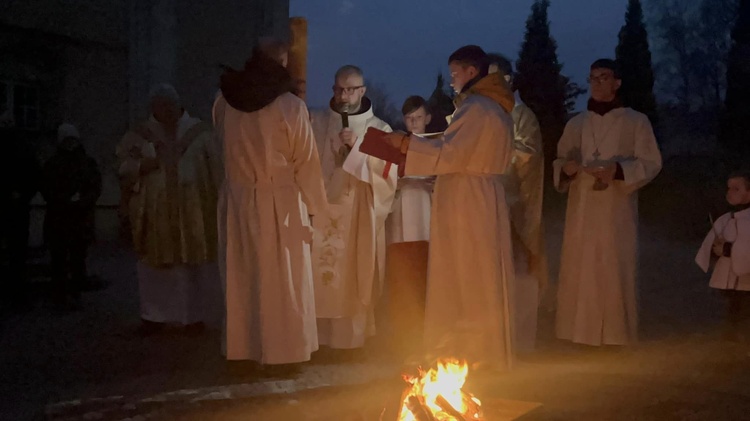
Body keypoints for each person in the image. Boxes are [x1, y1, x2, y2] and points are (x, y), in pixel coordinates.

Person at [373, 45, 517, 370]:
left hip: (467, 198)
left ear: (470, 71)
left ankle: (467, 354)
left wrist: (406, 144)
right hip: (483, 196)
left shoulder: (477, 107)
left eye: (454, 74)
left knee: (464, 274)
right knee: (479, 273)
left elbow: (450, 155)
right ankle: (483, 351)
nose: (452, 81)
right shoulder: (497, 108)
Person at [214, 40, 328, 367]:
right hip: (280, 202)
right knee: (282, 279)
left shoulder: (223, 100)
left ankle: (242, 348)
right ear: (279, 61)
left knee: (242, 273)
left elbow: (220, 144)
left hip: (237, 200)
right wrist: (317, 208)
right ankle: (283, 352)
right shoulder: (289, 106)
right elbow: (305, 161)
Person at [553, 58, 662, 346]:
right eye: (592, 78)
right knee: (582, 266)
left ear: (617, 82)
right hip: (582, 206)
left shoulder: (635, 121)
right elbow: (561, 158)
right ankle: (578, 333)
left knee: (613, 266)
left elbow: (651, 162)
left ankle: (615, 334)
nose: (597, 84)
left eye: (603, 77)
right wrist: (566, 169)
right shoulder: (577, 123)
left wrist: (619, 171)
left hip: (616, 207)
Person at [117, 84, 221, 335]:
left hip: (193, 210)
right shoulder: (139, 135)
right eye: (158, 108)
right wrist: (144, 164)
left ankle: (191, 317)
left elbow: (218, 169)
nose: (164, 113)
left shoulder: (201, 133)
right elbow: (123, 166)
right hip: (154, 212)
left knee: (190, 267)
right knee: (154, 266)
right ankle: (154, 316)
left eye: (168, 107)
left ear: (177, 105)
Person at [310, 65, 398, 351]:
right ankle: (317, 339)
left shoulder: (381, 129)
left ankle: (351, 340)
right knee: (319, 276)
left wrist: (358, 148)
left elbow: (388, 176)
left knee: (355, 275)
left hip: (359, 212)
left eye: (350, 89)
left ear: (362, 90)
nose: (344, 95)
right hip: (323, 211)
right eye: (339, 89)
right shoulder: (318, 122)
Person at [487, 53, 548, 353]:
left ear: (509, 80)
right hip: (486, 203)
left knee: (517, 273)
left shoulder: (522, 115)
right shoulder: (482, 111)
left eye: (496, 78)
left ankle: (519, 340)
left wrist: (496, 149)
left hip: (513, 203)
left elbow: (528, 154)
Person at [385, 96, 435, 358]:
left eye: (418, 117)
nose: (413, 122)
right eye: (409, 118)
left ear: (428, 118)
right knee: (401, 279)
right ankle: (400, 339)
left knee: (423, 277)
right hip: (400, 217)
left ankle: (424, 338)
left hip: (427, 218)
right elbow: (382, 176)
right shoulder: (395, 145)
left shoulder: (438, 145)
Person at [41, 124, 101, 310]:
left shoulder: (87, 163)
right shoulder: (52, 164)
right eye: (67, 140)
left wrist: (81, 201)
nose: (70, 143)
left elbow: (95, 187)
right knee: (58, 260)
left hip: (79, 219)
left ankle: (75, 295)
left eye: (72, 139)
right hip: (58, 218)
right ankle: (59, 296)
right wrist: (63, 200)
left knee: (78, 259)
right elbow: (46, 188)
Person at [696, 171, 750, 341]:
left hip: (746, 279)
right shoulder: (726, 218)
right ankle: (732, 334)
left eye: (736, 189)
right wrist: (714, 250)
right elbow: (710, 242)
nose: (730, 192)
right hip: (729, 276)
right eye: (729, 188)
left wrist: (727, 249)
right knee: (733, 305)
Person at [0, 112, 40, 311]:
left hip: (17, 207)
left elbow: (33, 175)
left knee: (17, 253)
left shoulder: (24, 148)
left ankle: (18, 294)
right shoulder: (24, 147)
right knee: (16, 252)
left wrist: (22, 194)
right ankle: (16, 294)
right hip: (13, 205)